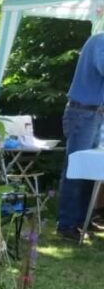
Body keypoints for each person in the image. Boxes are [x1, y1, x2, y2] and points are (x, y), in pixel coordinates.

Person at [56, 31, 104, 241]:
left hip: (93, 113)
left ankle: (81, 220)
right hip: (83, 113)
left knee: (88, 170)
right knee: (75, 168)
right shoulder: (101, 41)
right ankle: (66, 224)